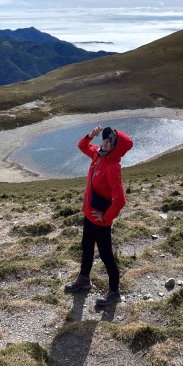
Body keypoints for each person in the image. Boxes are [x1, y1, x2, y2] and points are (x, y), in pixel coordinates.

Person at [65, 124, 133, 307]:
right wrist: (89, 135)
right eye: (106, 137)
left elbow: (120, 200)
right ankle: (84, 279)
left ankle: (114, 291)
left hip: (100, 221)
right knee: (86, 246)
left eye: (111, 140)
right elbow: (82, 146)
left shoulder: (112, 167)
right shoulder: (98, 154)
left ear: (116, 147)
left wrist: (106, 217)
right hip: (89, 213)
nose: (106, 141)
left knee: (106, 255)